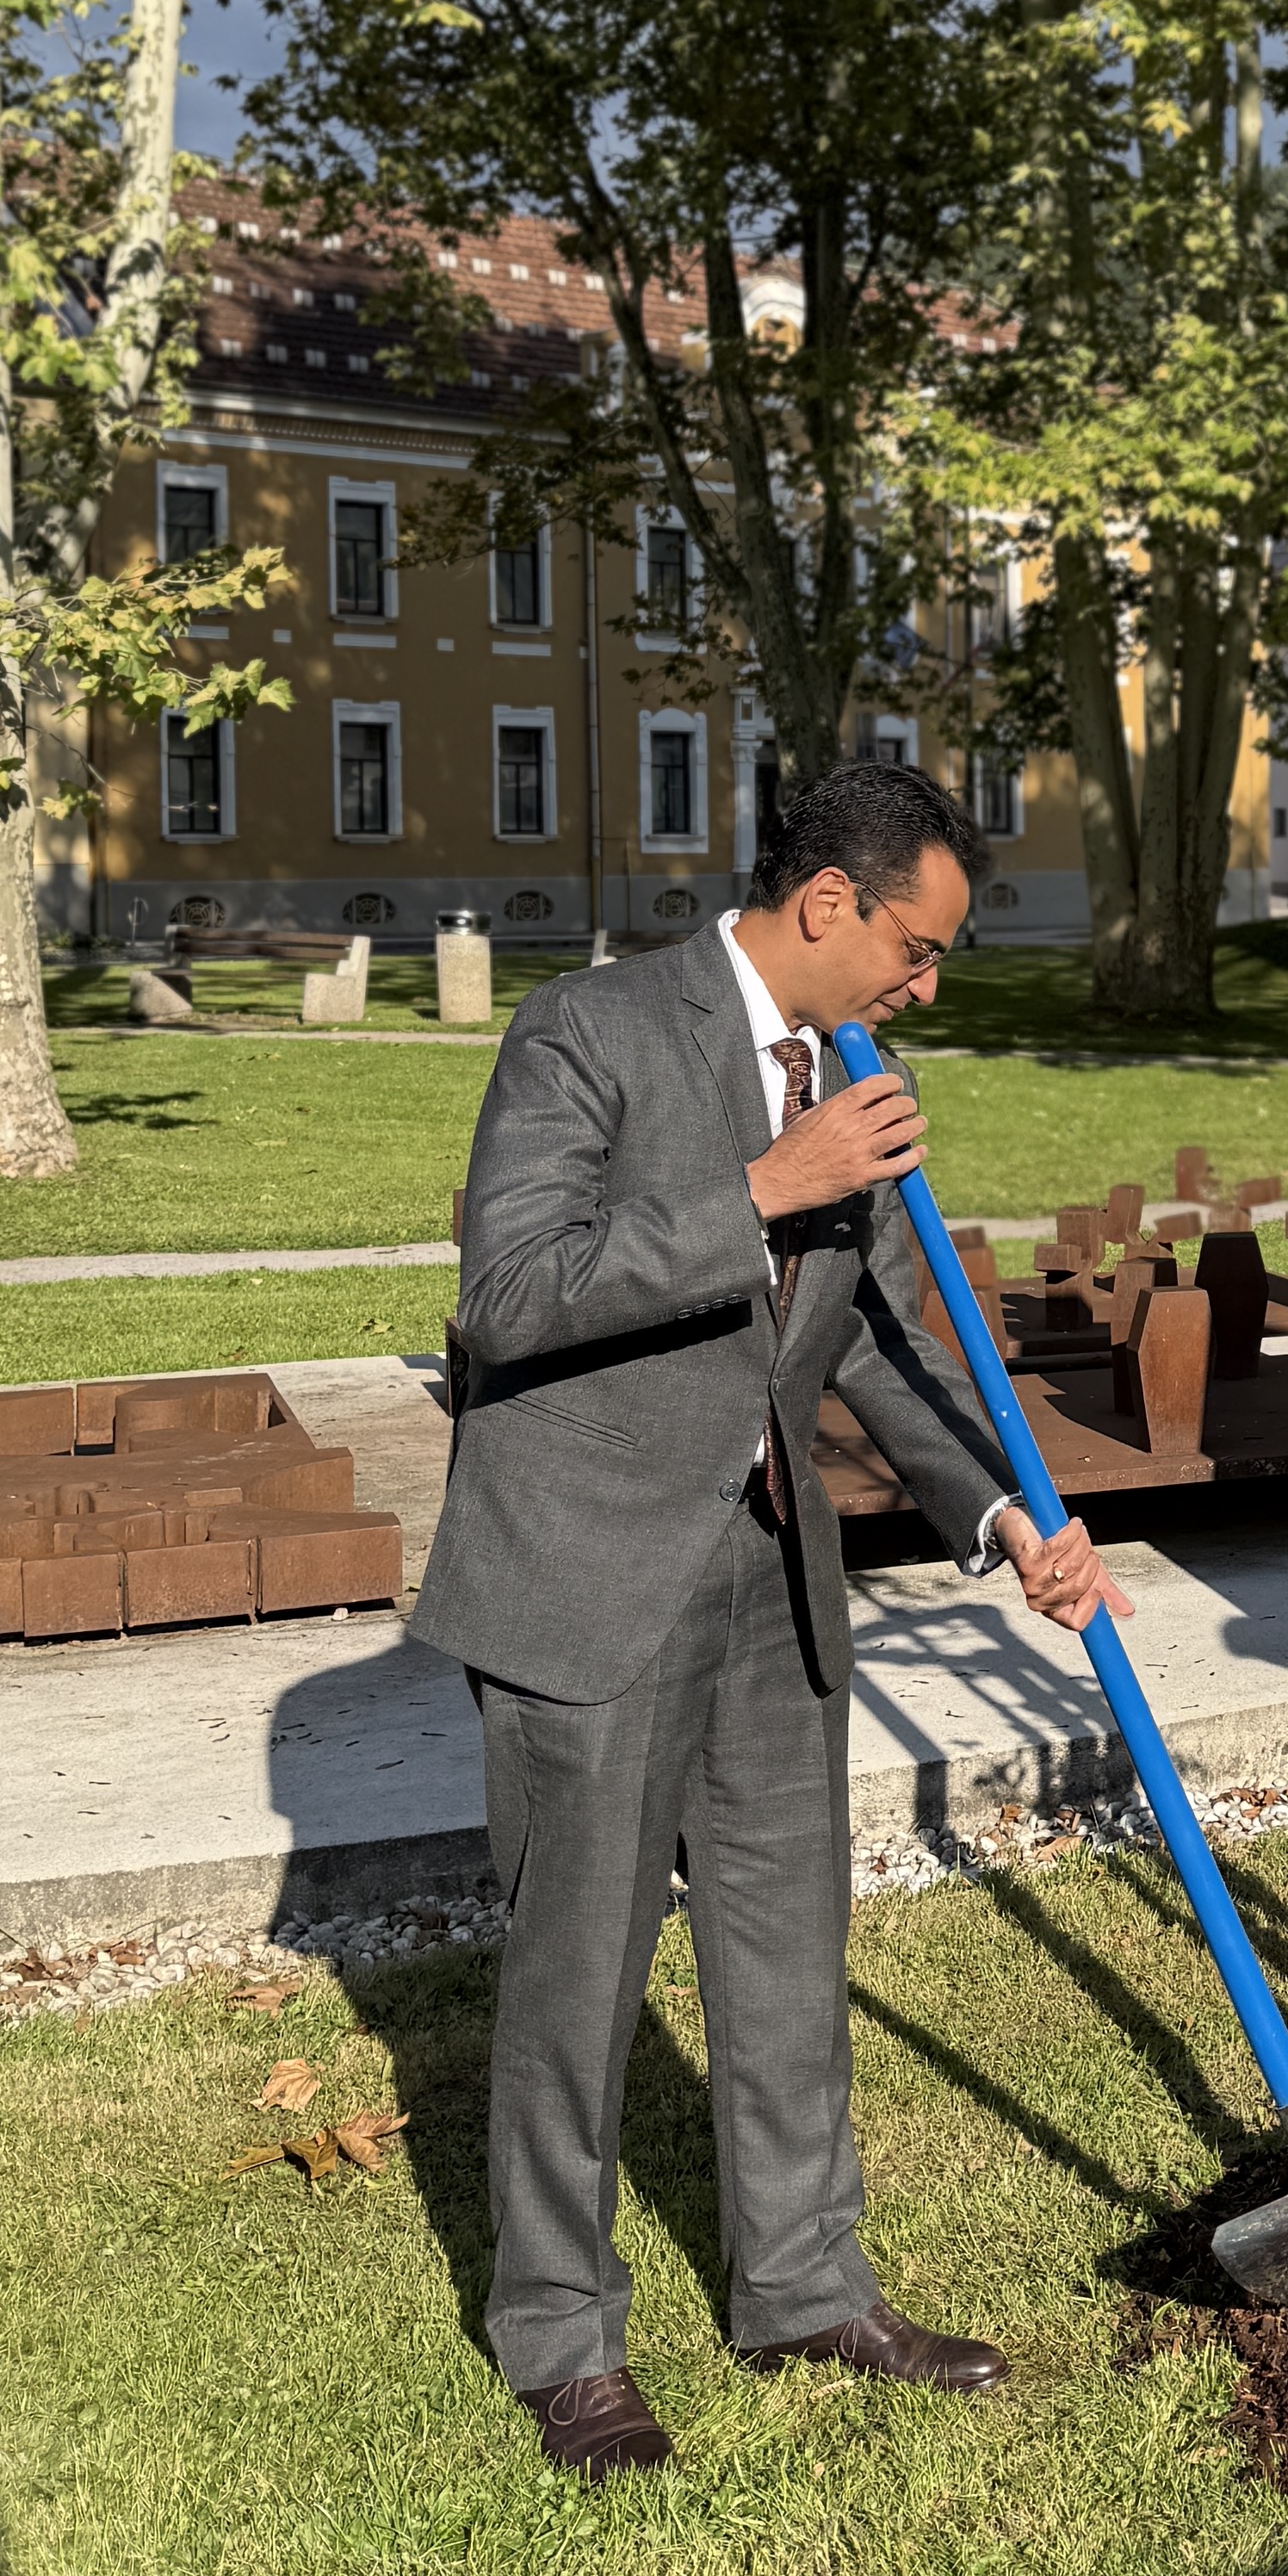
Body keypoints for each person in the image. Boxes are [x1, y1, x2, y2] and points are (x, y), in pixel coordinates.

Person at [416, 758, 1115, 2484]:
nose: (926, 987)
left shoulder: (855, 1071)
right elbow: (506, 1298)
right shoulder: (589, 1033)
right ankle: (561, 2338)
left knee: (787, 1960)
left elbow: (877, 1336)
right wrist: (756, 1187)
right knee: (577, 1986)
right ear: (830, 905)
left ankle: (804, 2288)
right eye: (920, 949)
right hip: (585, 1575)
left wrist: (1010, 1513)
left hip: (767, 1576)